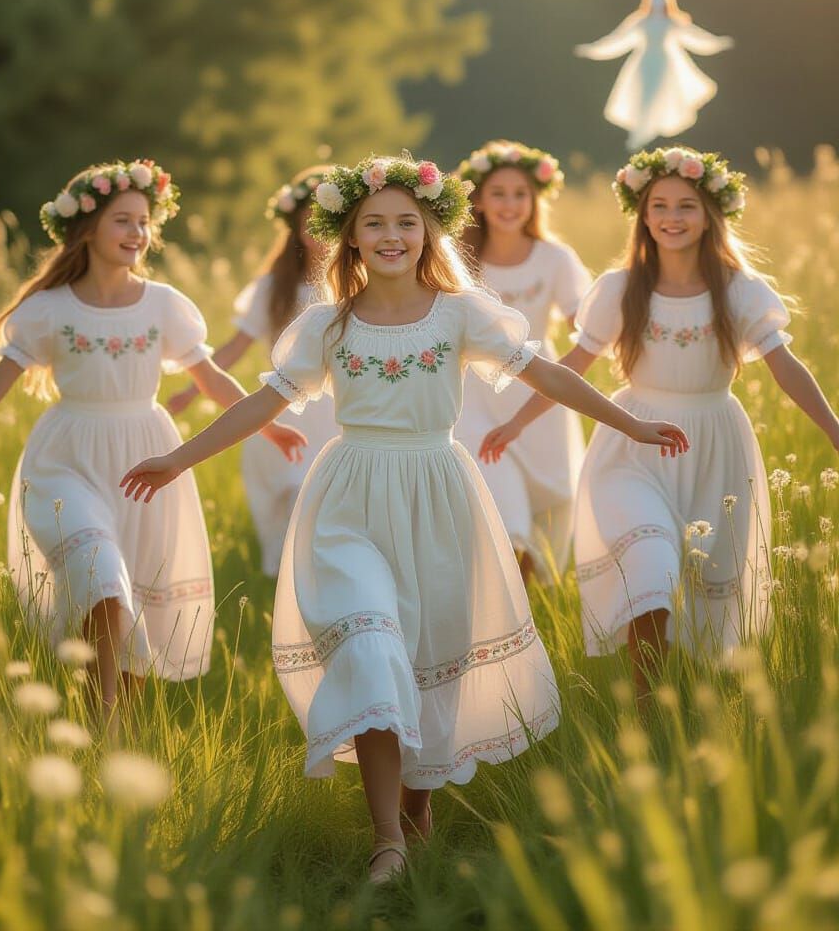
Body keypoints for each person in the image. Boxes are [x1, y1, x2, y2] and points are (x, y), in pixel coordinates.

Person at [120, 155, 687, 882]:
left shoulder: (458, 313)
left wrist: (630, 422)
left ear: (430, 233)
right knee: (370, 644)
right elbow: (262, 403)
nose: (391, 236)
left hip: (439, 493)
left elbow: (546, 372)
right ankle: (388, 835)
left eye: (406, 223)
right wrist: (179, 458)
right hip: (350, 498)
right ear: (348, 239)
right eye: (373, 224)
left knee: (426, 664)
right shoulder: (328, 325)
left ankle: (417, 807)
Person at [0, 159, 304, 724]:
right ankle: (105, 723)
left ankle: (106, 722)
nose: (137, 233)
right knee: (101, 578)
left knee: (131, 598)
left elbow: (208, 377)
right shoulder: (48, 310)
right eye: (123, 221)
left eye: (143, 222)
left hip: (143, 454)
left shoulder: (163, 304)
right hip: (66, 458)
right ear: (87, 229)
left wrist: (267, 422)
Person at [481, 146, 839, 697]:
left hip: (714, 444)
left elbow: (785, 367)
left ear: (709, 215)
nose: (672, 217)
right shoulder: (621, 290)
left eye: (686, 206)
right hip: (632, 441)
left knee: (702, 592)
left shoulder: (740, 292)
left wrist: (834, 431)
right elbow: (570, 366)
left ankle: (692, 701)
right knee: (650, 570)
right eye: (660, 206)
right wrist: (516, 424)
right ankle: (647, 712)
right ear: (643, 216)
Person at [167, 168, 338, 576]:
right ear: (294, 228)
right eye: (308, 221)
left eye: (326, 221)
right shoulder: (274, 288)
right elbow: (235, 347)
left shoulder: (353, 284)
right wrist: (192, 391)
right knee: (295, 499)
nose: (317, 231)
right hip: (281, 407)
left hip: (334, 414)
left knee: (326, 508)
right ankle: (290, 594)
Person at [455, 140, 591, 584]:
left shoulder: (555, 258)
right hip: (475, 394)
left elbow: (585, 324)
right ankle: (501, 600)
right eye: (498, 193)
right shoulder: (460, 261)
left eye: (520, 194)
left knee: (548, 505)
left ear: (535, 200)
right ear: (478, 199)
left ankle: (530, 609)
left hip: (539, 387)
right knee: (502, 507)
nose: (510, 204)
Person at [576, 0, 733, 150]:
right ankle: (639, 140)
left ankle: (653, 141)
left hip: (665, 66)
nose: (658, 3)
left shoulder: (673, 21)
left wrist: (718, 43)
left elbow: (695, 37)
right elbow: (617, 41)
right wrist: (592, 50)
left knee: (664, 100)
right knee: (644, 99)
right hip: (644, 66)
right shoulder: (640, 21)